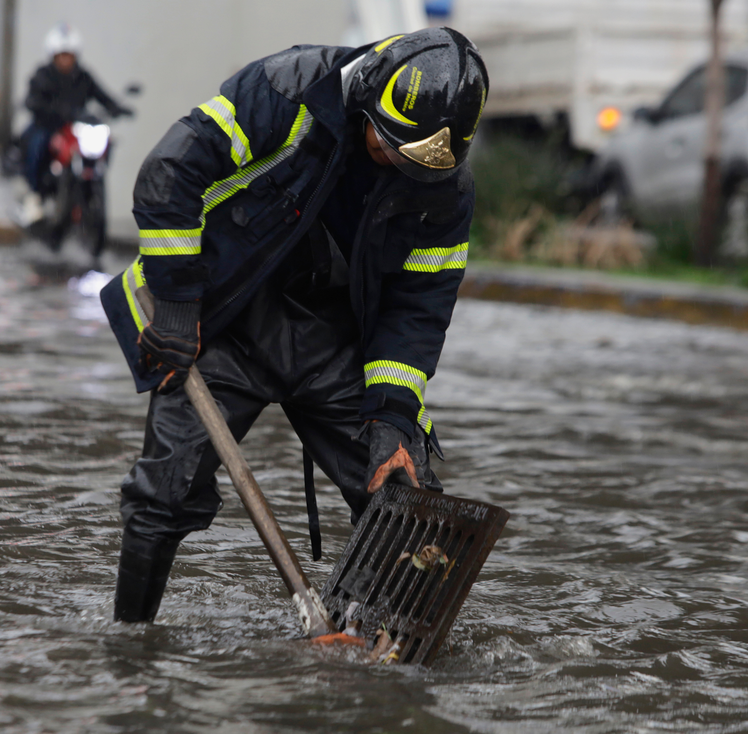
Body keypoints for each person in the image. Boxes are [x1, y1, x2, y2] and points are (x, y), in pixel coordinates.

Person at [99, 28, 488, 623]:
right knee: (164, 491)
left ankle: (363, 639)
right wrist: (177, 307)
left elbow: (420, 308)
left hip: (335, 339)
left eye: (413, 165)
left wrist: (391, 416)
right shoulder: (288, 90)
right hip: (226, 318)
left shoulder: (445, 191)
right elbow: (167, 174)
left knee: (402, 494)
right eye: (388, 147)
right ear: (367, 97)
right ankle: (130, 644)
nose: (395, 166)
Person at [18, 23, 132, 224]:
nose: (65, 60)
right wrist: (52, 109)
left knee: (105, 142)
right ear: (53, 56)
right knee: (37, 145)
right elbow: (31, 100)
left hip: (75, 130)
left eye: (69, 55)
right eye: (61, 55)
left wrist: (117, 107)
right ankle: (34, 195)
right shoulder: (43, 75)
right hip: (49, 126)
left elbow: (101, 95)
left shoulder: (83, 76)